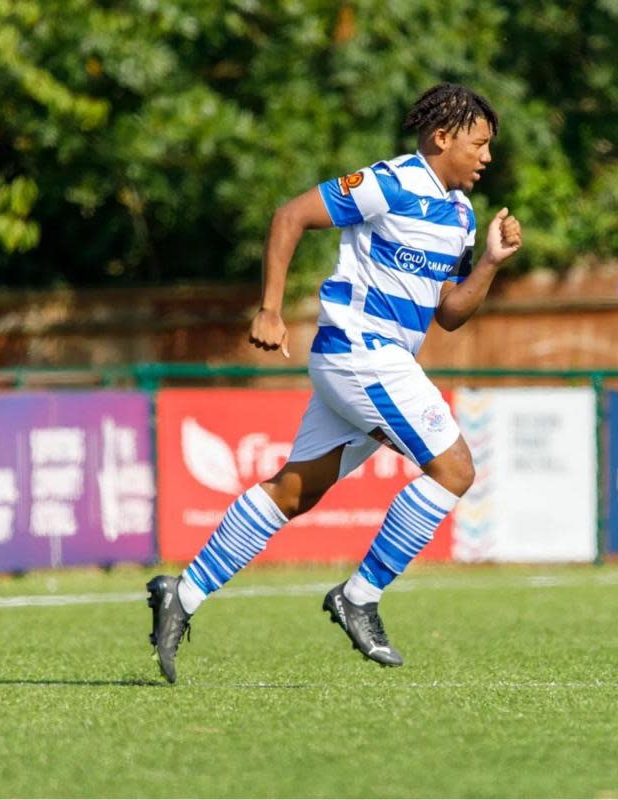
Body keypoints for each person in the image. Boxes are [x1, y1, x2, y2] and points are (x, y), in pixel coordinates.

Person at [146, 83, 522, 682]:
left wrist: (490, 265)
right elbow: (290, 215)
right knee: (455, 470)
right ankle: (360, 596)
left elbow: (449, 313)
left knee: (295, 493)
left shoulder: (458, 215)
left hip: (376, 363)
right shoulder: (389, 182)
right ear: (441, 137)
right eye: (479, 143)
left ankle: (181, 595)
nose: (487, 157)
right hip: (361, 352)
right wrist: (269, 309)